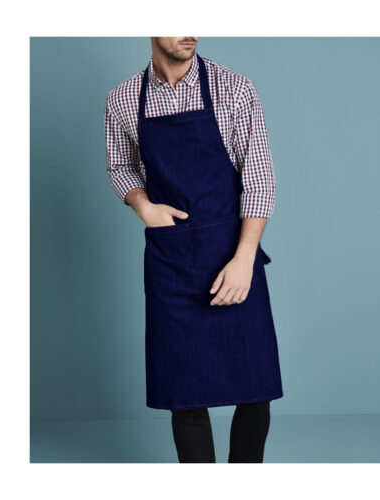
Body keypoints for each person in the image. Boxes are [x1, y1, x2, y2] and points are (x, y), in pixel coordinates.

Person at [104, 37, 283, 463]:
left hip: (232, 253)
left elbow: (259, 180)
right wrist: (144, 206)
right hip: (171, 262)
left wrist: (244, 260)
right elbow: (120, 164)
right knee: (184, 396)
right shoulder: (122, 99)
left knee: (255, 390)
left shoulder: (234, 88)